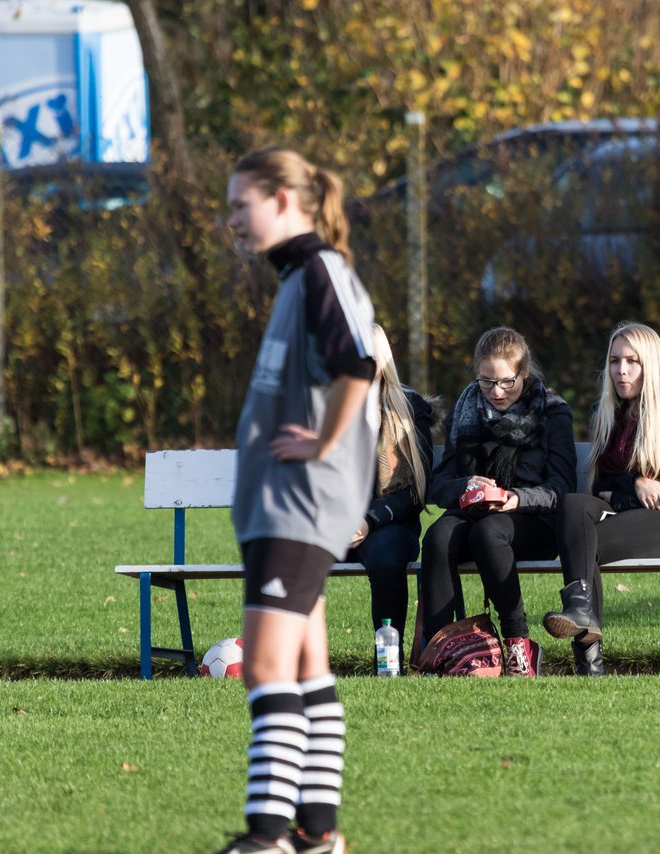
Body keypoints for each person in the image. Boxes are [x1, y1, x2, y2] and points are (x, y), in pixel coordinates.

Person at [222, 147, 380, 854]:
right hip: (284, 506)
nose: (233, 220)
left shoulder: (322, 271)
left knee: (263, 666)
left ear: (284, 200)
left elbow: (359, 364)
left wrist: (320, 443)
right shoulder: (297, 279)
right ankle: (318, 834)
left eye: (240, 204)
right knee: (309, 670)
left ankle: (266, 837)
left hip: (300, 506)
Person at [542, 321, 660, 676]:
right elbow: (602, 484)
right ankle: (580, 613)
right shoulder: (610, 411)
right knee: (573, 505)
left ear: (650, 363)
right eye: (615, 361)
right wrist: (635, 484)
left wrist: (623, 492)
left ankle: (587, 658)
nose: (621, 370)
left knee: (582, 544)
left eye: (632, 361)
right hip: (631, 515)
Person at [419, 327, 576, 677]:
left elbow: (561, 489)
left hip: (533, 520)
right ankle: (439, 647)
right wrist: (466, 485)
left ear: (524, 372)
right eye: (486, 382)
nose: (496, 392)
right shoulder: (466, 409)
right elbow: (439, 486)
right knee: (438, 536)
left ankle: (519, 643)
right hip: (475, 512)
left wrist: (514, 498)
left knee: (488, 533)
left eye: (506, 381)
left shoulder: (552, 412)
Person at [344, 324, 435, 674]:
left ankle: (388, 659)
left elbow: (417, 492)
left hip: (389, 523)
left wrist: (368, 520)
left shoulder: (410, 409)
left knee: (385, 557)